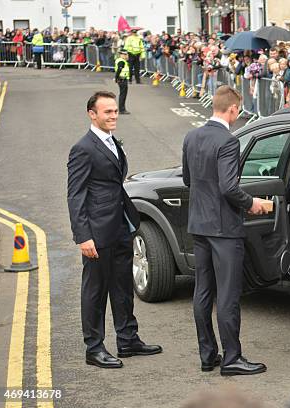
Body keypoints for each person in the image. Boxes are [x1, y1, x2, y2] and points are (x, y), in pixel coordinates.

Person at [67, 91, 162, 369]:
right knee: (95, 291)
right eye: (107, 112)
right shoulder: (83, 148)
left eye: (114, 111)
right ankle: (94, 348)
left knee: (122, 286)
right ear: (92, 114)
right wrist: (83, 236)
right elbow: (75, 195)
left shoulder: (111, 142)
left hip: (121, 225)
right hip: (97, 232)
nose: (113, 116)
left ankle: (128, 339)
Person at [182, 85, 268, 376]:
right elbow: (229, 187)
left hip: (199, 224)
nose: (238, 114)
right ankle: (232, 358)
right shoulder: (228, 141)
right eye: (238, 110)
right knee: (228, 295)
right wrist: (252, 202)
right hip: (224, 228)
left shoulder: (192, 136)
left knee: (203, 291)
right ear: (232, 109)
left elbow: (187, 179)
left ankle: (208, 355)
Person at [114, 50, 131, 114]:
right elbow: (119, 70)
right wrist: (116, 78)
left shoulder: (122, 61)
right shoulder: (121, 61)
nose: (127, 56)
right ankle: (122, 109)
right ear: (122, 55)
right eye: (125, 55)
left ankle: (122, 109)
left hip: (122, 79)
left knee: (122, 94)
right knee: (123, 95)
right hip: (122, 79)